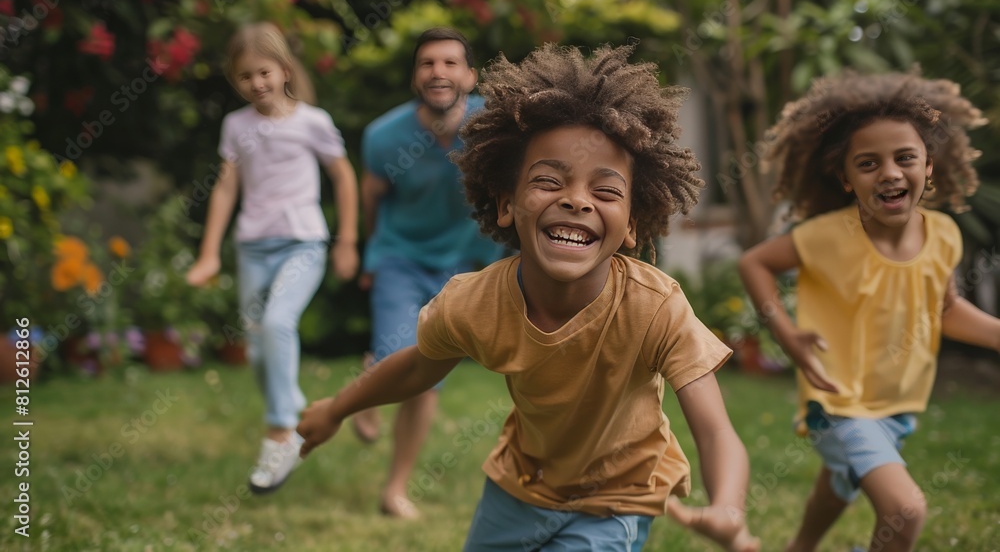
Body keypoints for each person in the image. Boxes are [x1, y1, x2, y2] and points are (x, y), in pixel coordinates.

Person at [298, 43, 759, 551]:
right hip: (518, 489)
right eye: (548, 181)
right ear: (505, 204)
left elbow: (715, 430)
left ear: (631, 224)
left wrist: (727, 507)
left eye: (605, 192)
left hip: (617, 498)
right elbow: (414, 367)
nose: (576, 200)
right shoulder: (476, 303)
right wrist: (336, 409)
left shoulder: (655, 307)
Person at [739, 71, 996, 552]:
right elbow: (755, 262)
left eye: (905, 158)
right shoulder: (827, 236)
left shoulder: (943, 234)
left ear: (929, 166)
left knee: (840, 480)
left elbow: (944, 311)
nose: (890, 172)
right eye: (868, 163)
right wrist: (787, 333)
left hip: (897, 403)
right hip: (836, 402)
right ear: (846, 178)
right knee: (905, 510)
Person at [186, 22, 359, 495]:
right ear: (235, 82)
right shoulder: (236, 126)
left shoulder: (313, 122)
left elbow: (343, 177)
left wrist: (346, 240)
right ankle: (292, 405)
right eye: (245, 77)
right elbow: (225, 189)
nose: (256, 84)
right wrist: (208, 255)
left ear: (284, 70)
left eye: (264, 72)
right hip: (252, 247)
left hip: (303, 244)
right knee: (259, 348)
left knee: (279, 323)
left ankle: (282, 430)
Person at [348, 27, 504, 518]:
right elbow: (372, 198)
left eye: (450, 62)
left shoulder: (494, 125)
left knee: (428, 375)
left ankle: (394, 488)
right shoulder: (383, 136)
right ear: (416, 77)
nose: (438, 71)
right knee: (409, 358)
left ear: (470, 76)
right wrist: (371, 252)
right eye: (427, 63)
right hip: (399, 256)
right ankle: (372, 381)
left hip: (460, 266)